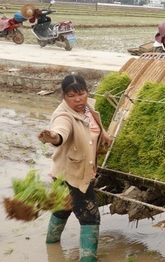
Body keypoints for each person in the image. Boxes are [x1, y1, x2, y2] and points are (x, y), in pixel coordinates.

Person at [38, 74, 112, 262]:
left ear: (87, 92)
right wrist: (52, 137)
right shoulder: (63, 115)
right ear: (64, 96)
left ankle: (51, 245)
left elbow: (92, 123)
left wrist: (103, 134)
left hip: (62, 173)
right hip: (74, 174)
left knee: (63, 208)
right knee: (90, 217)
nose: (78, 99)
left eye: (81, 93)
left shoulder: (88, 107)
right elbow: (60, 132)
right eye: (72, 96)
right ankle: (88, 259)